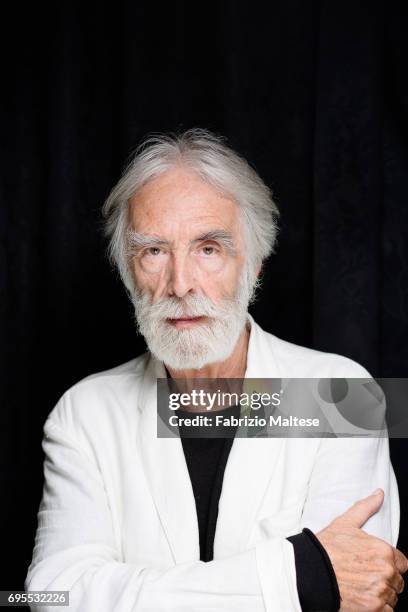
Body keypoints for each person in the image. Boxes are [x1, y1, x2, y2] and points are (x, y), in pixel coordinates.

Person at [26, 129, 407, 611]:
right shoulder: (86, 412)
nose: (180, 283)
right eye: (154, 251)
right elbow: (49, 596)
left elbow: (355, 593)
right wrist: (300, 579)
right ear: (128, 270)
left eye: (209, 249)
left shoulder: (343, 395)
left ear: (256, 263)